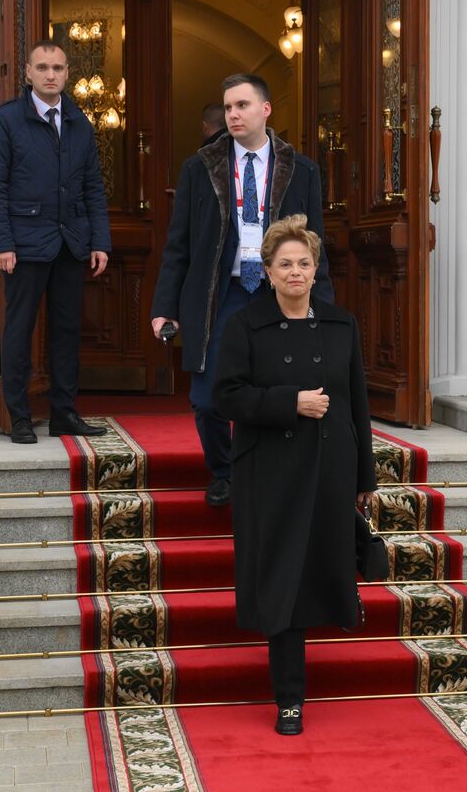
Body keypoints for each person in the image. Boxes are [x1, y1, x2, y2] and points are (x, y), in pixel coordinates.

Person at [211, 215, 375, 736]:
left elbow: (357, 405)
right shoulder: (245, 325)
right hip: (271, 473)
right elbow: (226, 396)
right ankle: (289, 698)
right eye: (286, 264)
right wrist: (290, 403)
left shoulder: (341, 323)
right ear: (268, 270)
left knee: (314, 577)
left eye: (304, 263)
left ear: (315, 268)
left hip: (329, 468)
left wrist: (364, 476)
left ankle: (299, 686)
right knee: (281, 581)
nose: (296, 272)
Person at [151, 73, 332, 506]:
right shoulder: (200, 167)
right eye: (228, 107)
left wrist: (322, 307)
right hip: (221, 294)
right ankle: (225, 472)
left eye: (242, 105)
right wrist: (165, 306)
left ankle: (272, 475)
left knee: (281, 388)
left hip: (279, 294)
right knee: (208, 395)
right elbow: (179, 244)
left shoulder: (301, 169)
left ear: (265, 110)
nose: (233, 114)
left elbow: (318, 245)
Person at [0, 41, 111, 444]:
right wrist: (1, 244)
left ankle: (63, 414)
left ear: (68, 73)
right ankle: (19, 416)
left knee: (67, 331)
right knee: (19, 329)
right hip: (23, 244)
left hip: (71, 244)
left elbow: (93, 187)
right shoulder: (6, 121)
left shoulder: (78, 121)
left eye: (58, 67)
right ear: (28, 74)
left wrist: (99, 241)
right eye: (43, 67)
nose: (51, 74)